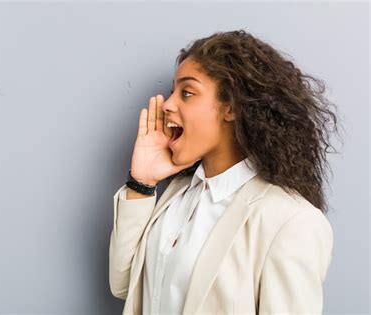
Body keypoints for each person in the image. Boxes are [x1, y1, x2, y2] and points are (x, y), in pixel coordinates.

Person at [109, 29, 343, 314]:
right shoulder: (179, 194)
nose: (167, 105)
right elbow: (124, 285)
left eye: (186, 93)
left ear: (230, 107)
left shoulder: (290, 220)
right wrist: (142, 183)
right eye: (173, 92)